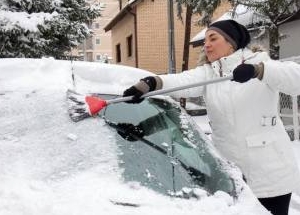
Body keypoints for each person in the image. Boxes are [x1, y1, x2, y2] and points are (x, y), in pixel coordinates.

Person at [119, 19, 300, 215]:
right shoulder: (210, 73)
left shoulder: (261, 63)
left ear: (231, 42)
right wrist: (152, 83)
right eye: (205, 40)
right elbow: (182, 81)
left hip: (270, 172)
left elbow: (295, 80)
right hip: (231, 173)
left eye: (213, 38)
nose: (206, 45)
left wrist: (259, 71)